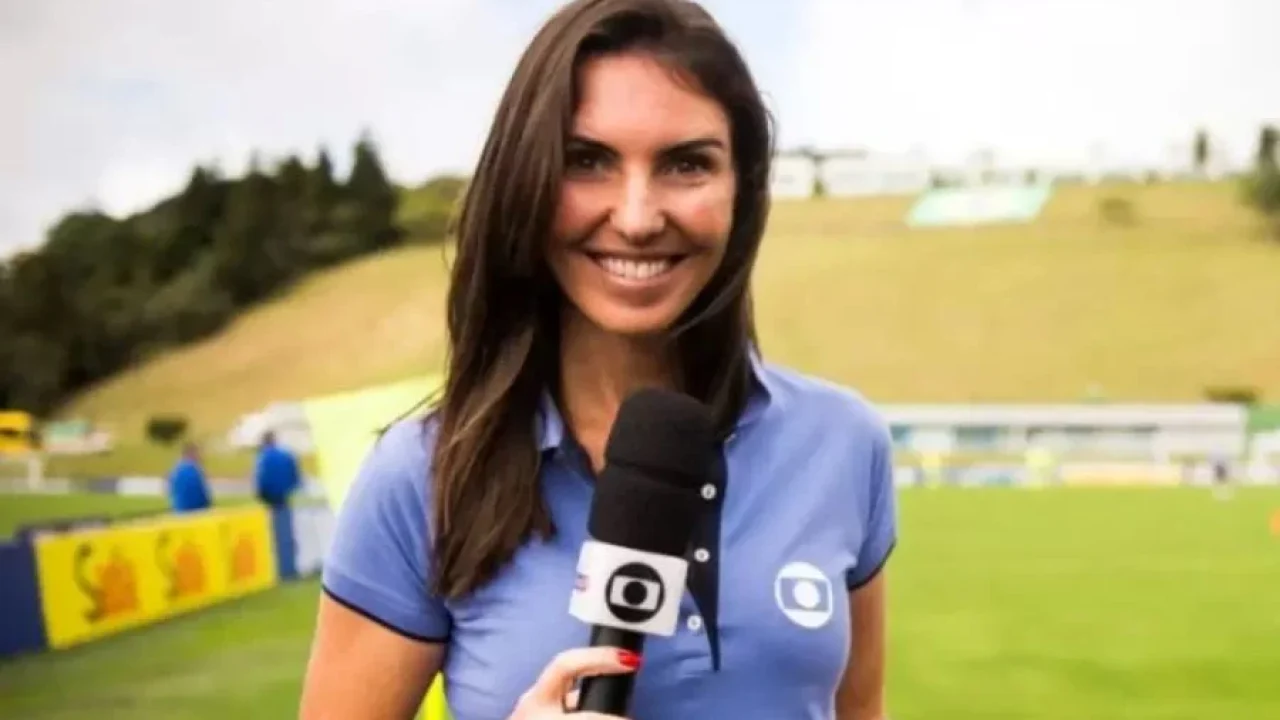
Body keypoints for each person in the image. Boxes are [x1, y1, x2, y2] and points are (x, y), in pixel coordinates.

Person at [300, 1, 897, 718]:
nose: (639, 217)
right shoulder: (422, 476)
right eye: (587, 161)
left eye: (687, 164)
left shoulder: (842, 443)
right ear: (525, 182)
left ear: (744, 188)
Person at [253, 430, 301, 509]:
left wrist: (260, 492)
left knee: (275, 514)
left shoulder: (263, 457)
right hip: (285, 492)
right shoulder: (286, 454)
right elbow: (295, 473)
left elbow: (261, 477)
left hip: (270, 493)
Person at [167, 442, 211, 514]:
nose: (201, 456)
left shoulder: (176, 468)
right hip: (192, 511)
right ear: (191, 454)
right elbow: (198, 495)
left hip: (179, 510)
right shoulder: (191, 470)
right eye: (198, 453)